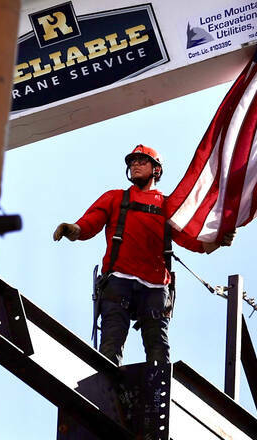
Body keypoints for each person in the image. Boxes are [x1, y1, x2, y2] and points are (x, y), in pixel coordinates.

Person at [53, 144, 234, 366]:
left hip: (155, 287)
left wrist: (217, 241)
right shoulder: (115, 198)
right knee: (111, 344)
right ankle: (107, 390)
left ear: (156, 170)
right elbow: (92, 221)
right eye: (132, 162)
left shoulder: (168, 206)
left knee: (158, 348)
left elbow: (190, 240)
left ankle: (157, 393)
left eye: (142, 161)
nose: (135, 165)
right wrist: (74, 229)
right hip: (119, 281)